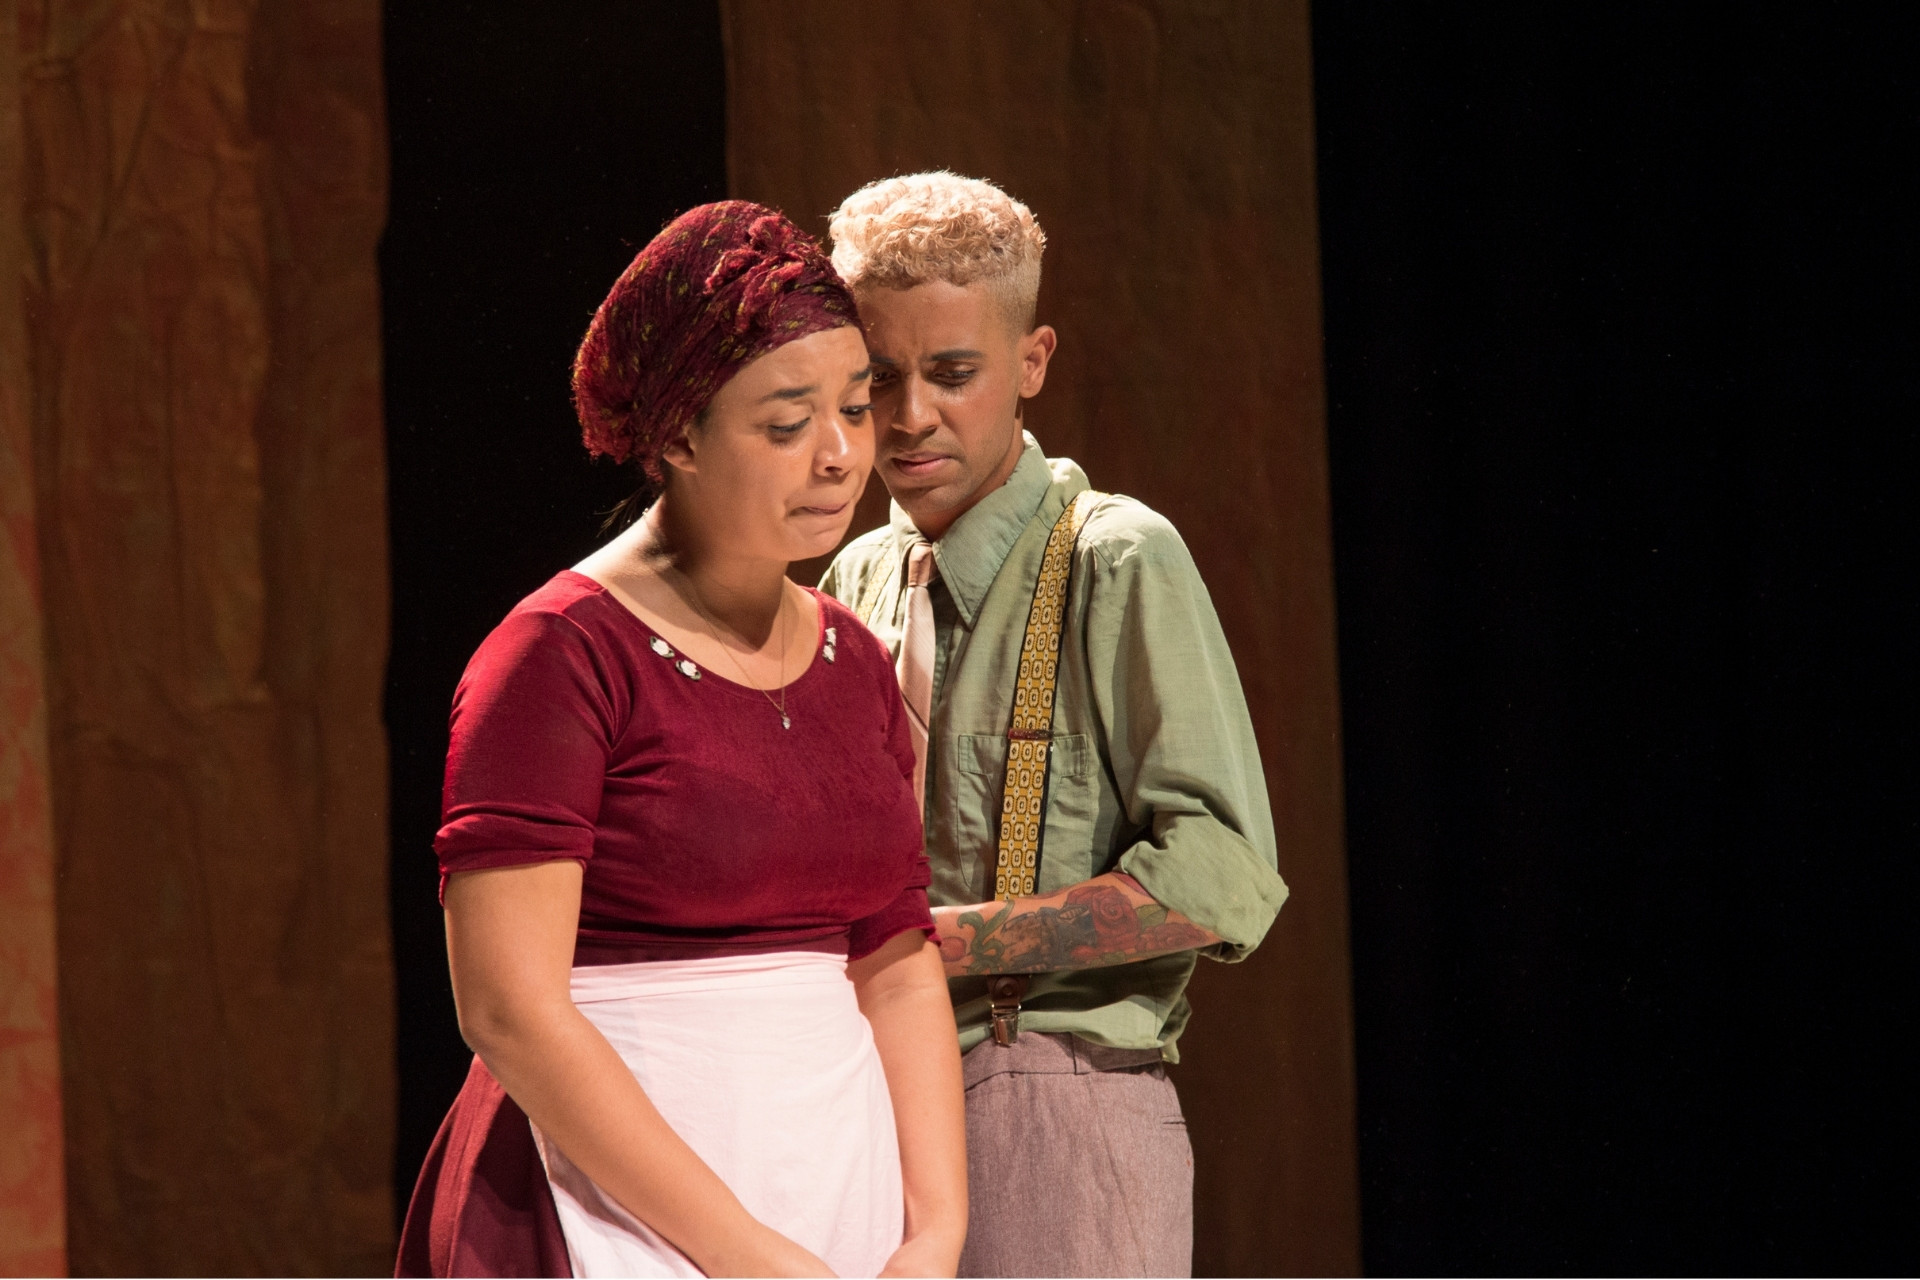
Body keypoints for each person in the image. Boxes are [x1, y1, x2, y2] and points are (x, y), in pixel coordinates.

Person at [396, 202, 967, 1279]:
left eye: (856, 407)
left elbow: (895, 959)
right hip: (616, 1203)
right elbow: (510, 1008)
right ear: (677, 438)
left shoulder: (850, 657)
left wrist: (935, 1229)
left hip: (834, 1180)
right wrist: (745, 1253)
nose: (841, 455)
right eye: (788, 424)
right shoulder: (559, 655)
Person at [818, 173, 1290, 1278]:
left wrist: (942, 944)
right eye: (878, 377)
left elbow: (1222, 876)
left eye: (953, 374)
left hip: (1056, 1096)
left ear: (1031, 362)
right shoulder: (854, 576)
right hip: (870, 1100)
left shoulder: (1114, 557)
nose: (910, 416)